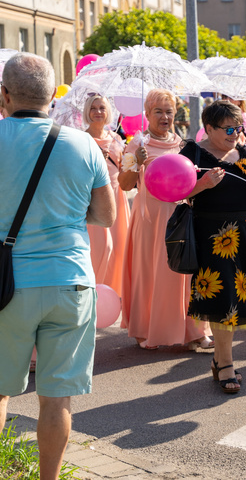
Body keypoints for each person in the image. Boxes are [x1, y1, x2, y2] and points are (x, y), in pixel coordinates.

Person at [0, 53, 116, 480]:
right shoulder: (83, 143)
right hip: (70, 281)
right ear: (53, 98)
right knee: (56, 400)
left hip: (6, 286)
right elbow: (106, 216)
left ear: (4, 95)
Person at [180, 101, 246, 394]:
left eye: (239, 127)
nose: (236, 134)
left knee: (236, 303)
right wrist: (203, 185)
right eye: (229, 129)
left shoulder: (244, 151)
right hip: (214, 238)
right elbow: (177, 193)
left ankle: (221, 361)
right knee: (225, 304)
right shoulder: (192, 153)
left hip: (245, 235)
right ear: (208, 128)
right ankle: (225, 365)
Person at [119, 89, 212, 350]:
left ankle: (193, 331)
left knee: (184, 272)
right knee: (149, 272)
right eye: (158, 111)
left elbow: (190, 184)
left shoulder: (184, 145)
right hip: (149, 218)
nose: (164, 116)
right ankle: (146, 329)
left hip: (179, 215)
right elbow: (125, 185)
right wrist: (136, 163)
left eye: (168, 111)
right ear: (147, 114)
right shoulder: (137, 144)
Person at [83, 94, 131, 296]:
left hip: (117, 196)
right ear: (87, 111)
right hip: (94, 200)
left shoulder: (117, 139)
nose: (98, 112)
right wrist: (96, 161)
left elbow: (124, 172)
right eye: (93, 108)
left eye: (102, 108)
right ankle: (94, 291)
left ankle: (114, 293)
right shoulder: (81, 139)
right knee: (101, 248)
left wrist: (133, 159)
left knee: (120, 247)